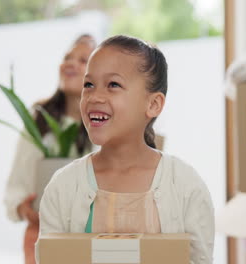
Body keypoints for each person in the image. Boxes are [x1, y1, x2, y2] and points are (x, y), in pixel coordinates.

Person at [36, 35, 215, 264]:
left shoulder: (185, 186)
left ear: (153, 104)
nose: (95, 96)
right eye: (88, 84)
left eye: (113, 85)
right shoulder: (63, 187)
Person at [4, 34, 96, 264]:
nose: (71, 63)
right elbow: (17, 183)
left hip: (87, 237)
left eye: (83, 60)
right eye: (67, 57)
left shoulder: (103, 125)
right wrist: (24, 210)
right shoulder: (39, 118)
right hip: (40, 233)